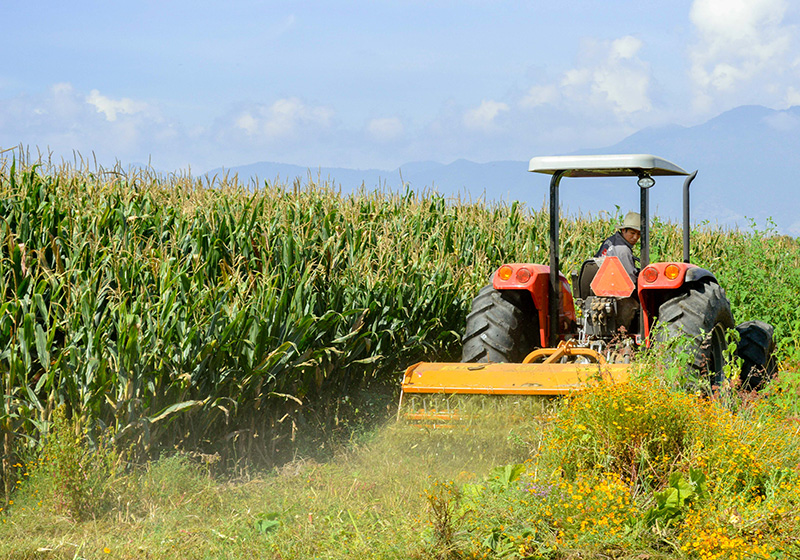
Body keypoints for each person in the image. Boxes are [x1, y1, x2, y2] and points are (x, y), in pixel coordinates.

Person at [595, 211, 641, 283]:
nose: (635, 237)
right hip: (613, 286)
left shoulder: (610, 240)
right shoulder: (623, 250)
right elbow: (630, 279)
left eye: (639, 234)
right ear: (623, 230)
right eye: (632, 233)